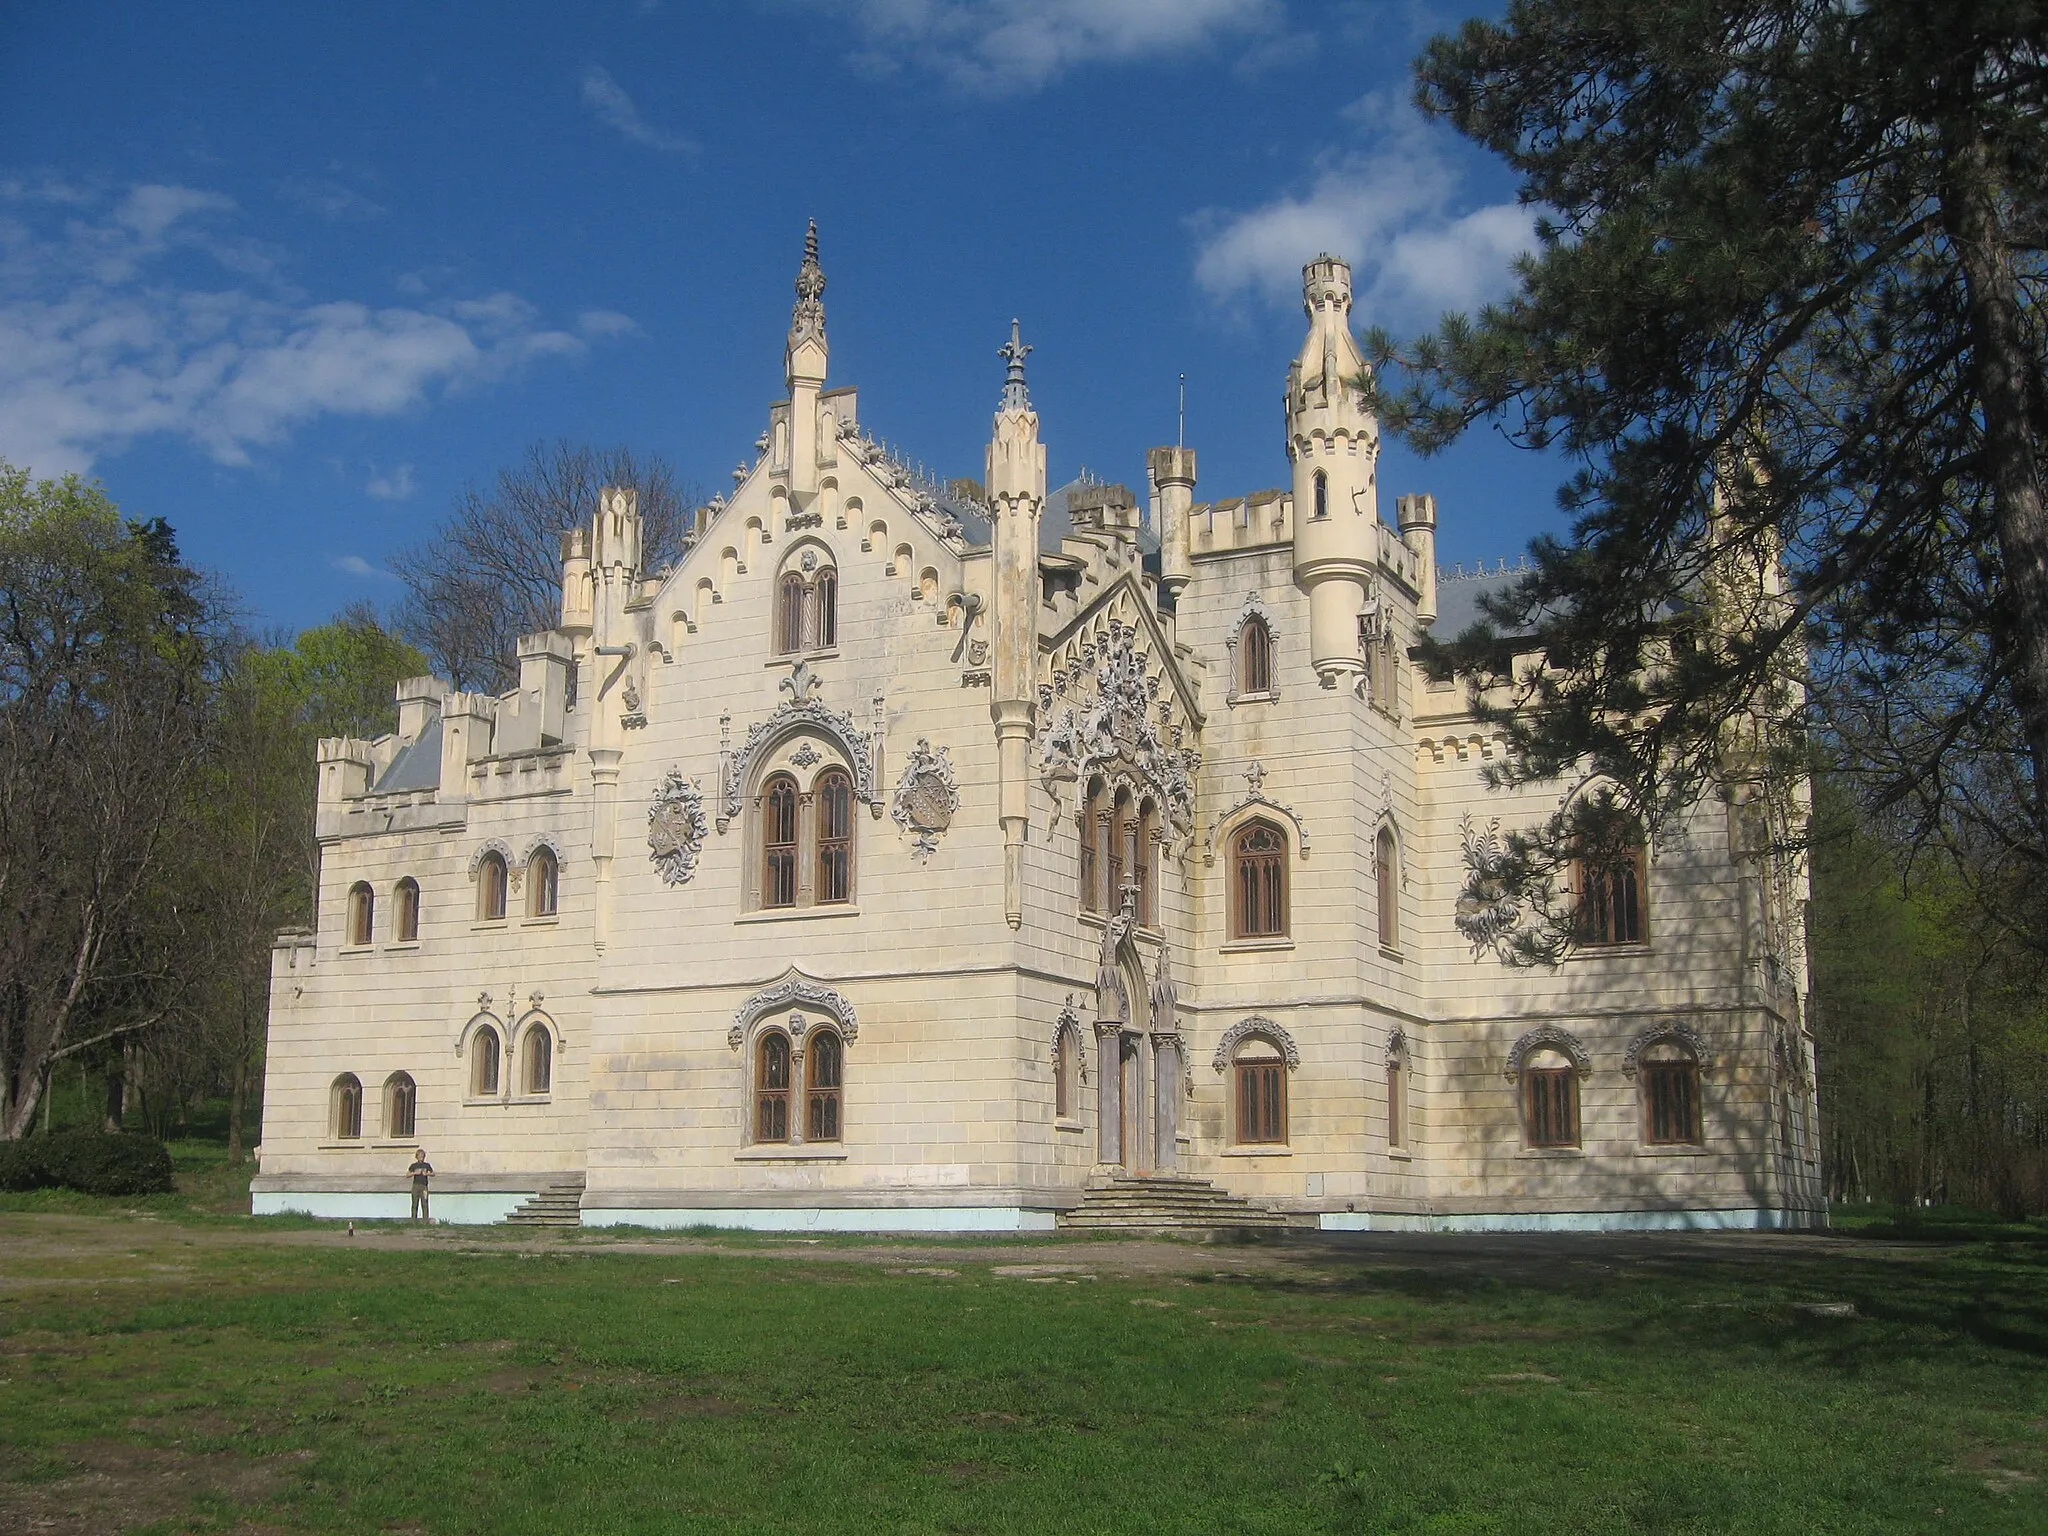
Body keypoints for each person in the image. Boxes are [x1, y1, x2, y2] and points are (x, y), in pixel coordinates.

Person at [407, 1148, 433, 1221]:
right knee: (415, 1203)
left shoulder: (427, 1165)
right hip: (416, 1186)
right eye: (419, 1156)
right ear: (417, 1157)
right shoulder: (414, 1165)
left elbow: (433, 1173)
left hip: (424, 1186)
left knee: (424, 1203)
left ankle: (425, 1220)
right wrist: (415, 1173)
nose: (421, 1157)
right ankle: (413, 1220)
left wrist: (427, 1173)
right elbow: (407, 1175)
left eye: (422, 1156)